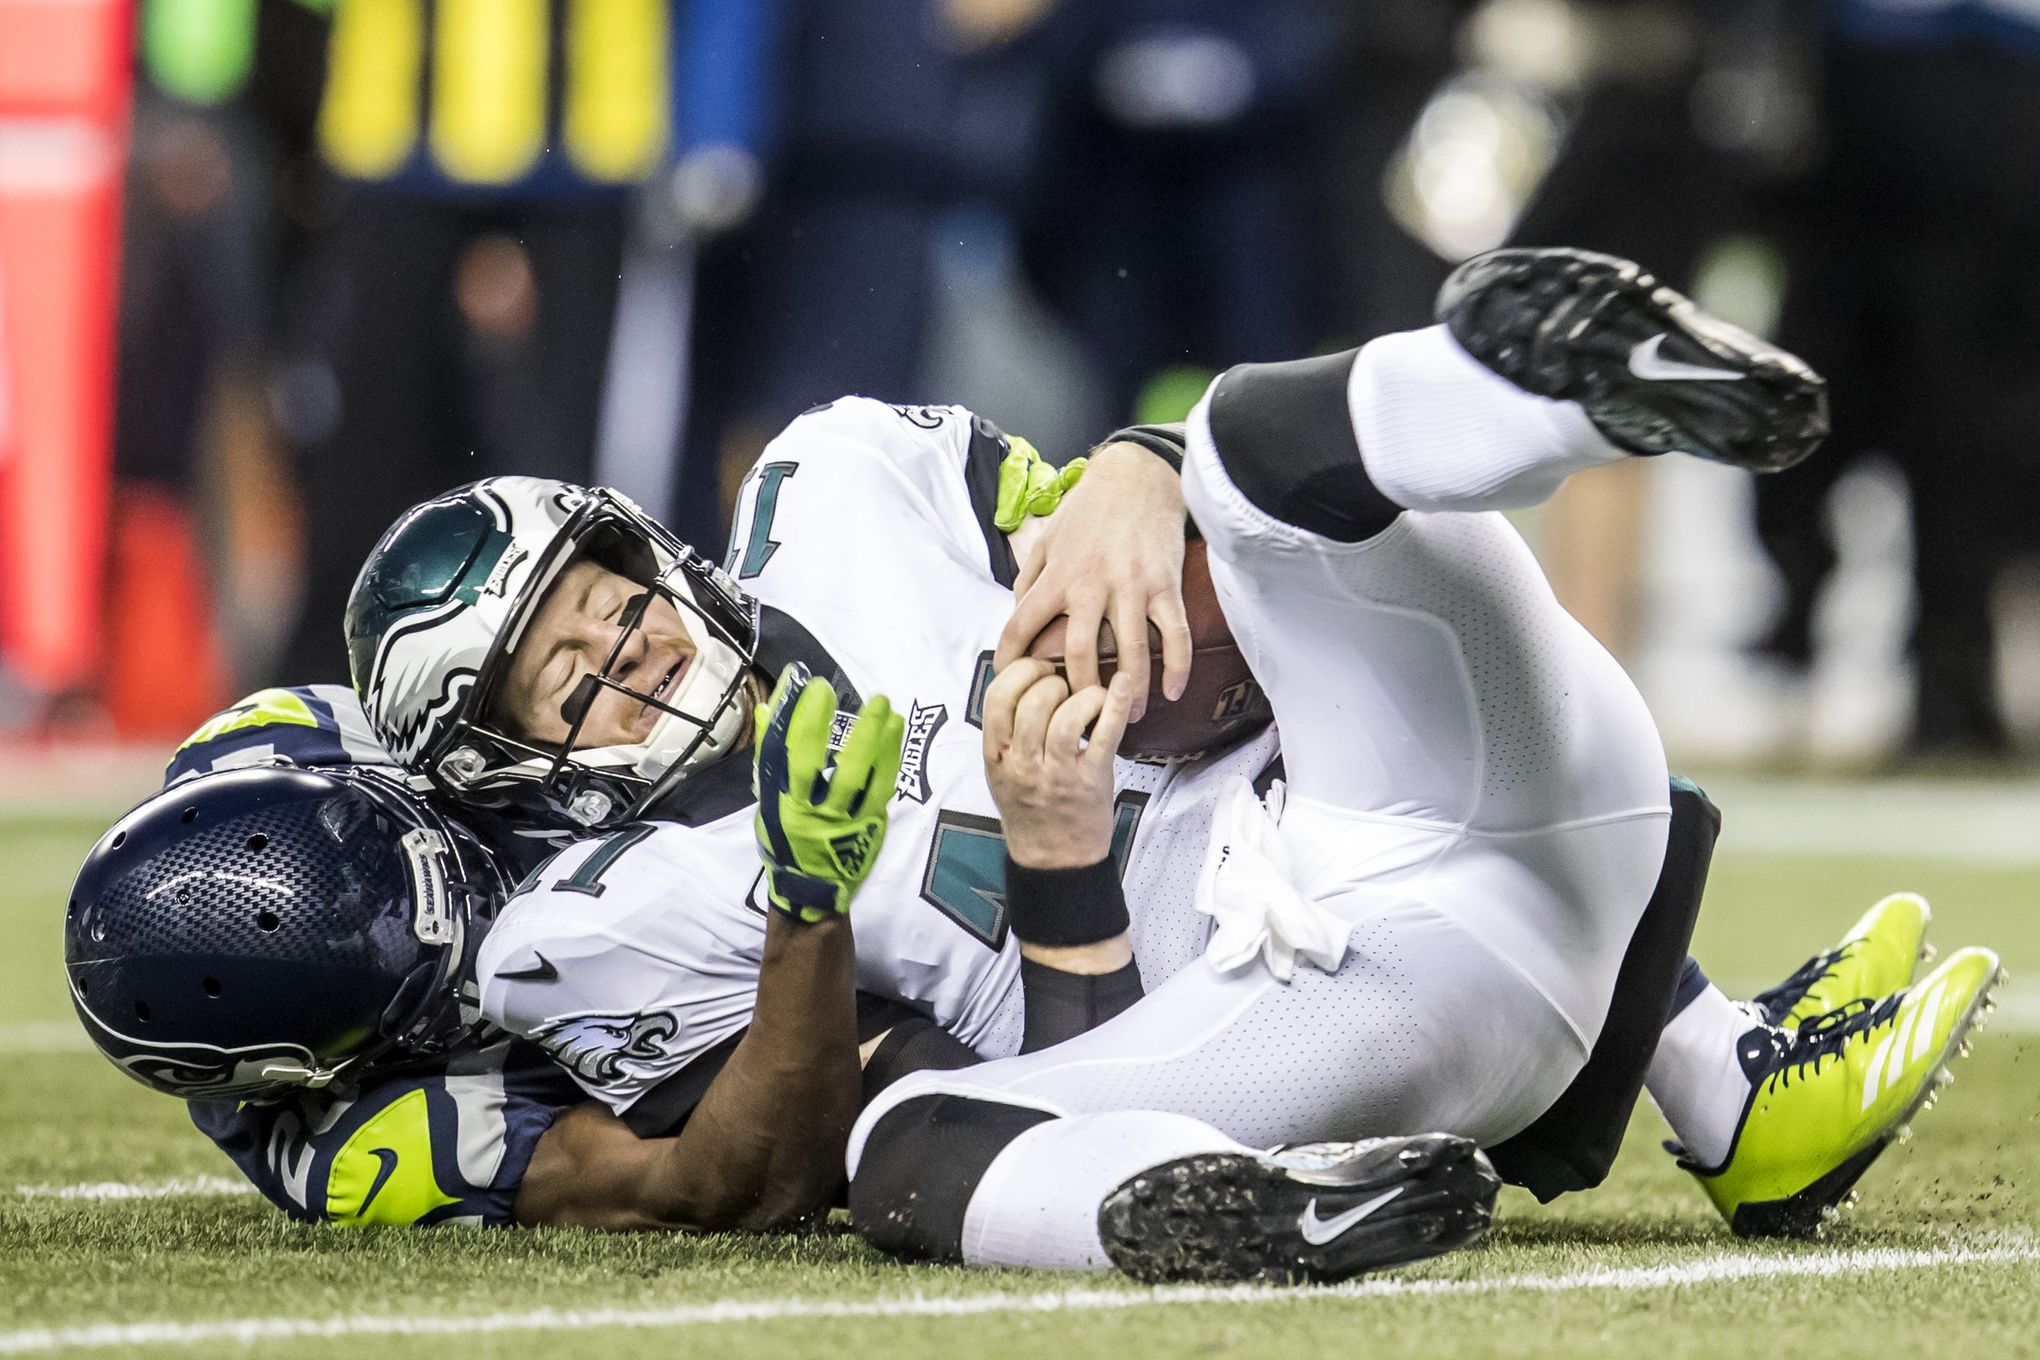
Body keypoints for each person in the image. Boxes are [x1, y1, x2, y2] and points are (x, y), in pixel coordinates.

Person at [334, 252, 1994, 1275]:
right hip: (1333, 1008)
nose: (629, 650)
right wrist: (1049, 870)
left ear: (650, 547)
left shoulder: (832, 485)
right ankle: (1277, 1215)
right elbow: (994, 1084)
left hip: (1436, 757)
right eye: (563, 678)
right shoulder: (605, 918)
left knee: (1235, 456)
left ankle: (1557, 387)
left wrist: (1134, 462)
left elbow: (1141, 535)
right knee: (905, 1150)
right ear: (510, 763)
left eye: (609, 601)